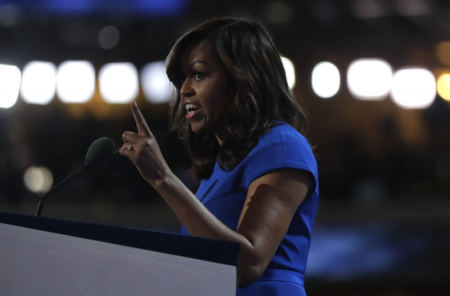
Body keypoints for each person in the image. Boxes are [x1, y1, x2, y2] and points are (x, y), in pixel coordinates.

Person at [119, 17, 319, 296]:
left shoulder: (283, 145)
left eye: (198, 75)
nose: (185, 88)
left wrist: (164, 180)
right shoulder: (220, 166)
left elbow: (248, 263)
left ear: (242, 77)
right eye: (182, 78)